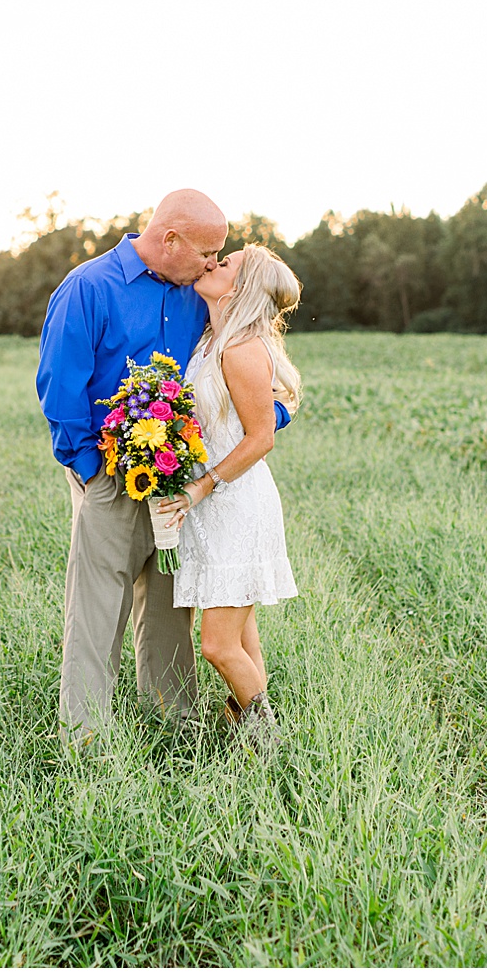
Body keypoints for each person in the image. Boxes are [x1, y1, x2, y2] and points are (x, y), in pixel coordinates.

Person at [36, 190, 291, 748]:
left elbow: (255, 376)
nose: (211, 263)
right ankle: (85, 740)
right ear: (169, 239)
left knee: (173, 606)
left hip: (184, 478)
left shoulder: (201, 295)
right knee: (99, 605)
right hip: (108, 471)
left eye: (219, 256)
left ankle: (177, 725)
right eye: (206, 251)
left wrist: (263, 424)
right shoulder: (89, 288)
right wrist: (90, 467)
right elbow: (60, 387)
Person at [155, 244, 303, 739]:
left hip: (235, 505)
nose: (215, 263)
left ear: (239, 289)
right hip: (214, 506)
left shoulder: (240, 349)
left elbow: (260, 438)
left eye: (228, 263)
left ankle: (267, 735)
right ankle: (251, 740)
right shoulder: (209, 341)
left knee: (218, 646)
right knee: (243, 636)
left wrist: (201, 486)